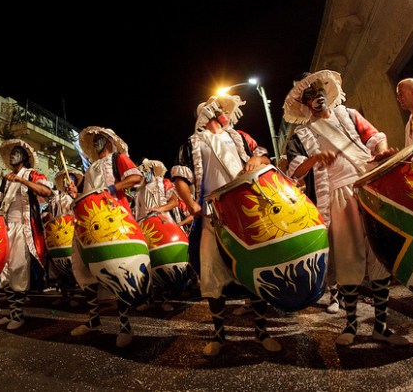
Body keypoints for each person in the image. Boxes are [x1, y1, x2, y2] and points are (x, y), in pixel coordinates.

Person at [284, 69, 408, 347]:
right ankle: (351, 325)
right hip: (338, 197)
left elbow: (376, 137)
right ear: (304, 103)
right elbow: (295, 171)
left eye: (319, 91)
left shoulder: (349, 115)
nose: (317, 98)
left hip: (368, 187)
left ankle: (381, 327)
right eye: (310, 95)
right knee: (349, 261)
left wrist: (381, 152)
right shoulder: (300, 136)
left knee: (379, 258)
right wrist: (315, 157)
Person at [170, 93, 276, 356]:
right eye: (219, 108)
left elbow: (266, 159)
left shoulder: (240, 137)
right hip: (210, 213)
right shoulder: (192, 143)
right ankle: (219, 334)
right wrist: (191, 204)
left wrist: (256, 160)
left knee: (255, 268)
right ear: (207, 113)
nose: (227, 112)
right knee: (211, 271)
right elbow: (180, 177)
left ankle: (262, 332)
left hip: (245, 210)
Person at [69, 126, 144, 348]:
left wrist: (112, 189)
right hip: (88, 222)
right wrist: (75, 194)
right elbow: (86, 196)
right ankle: (93, 319)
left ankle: (125, 325)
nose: (97, 142)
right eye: (95, 140)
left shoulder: (117, 158)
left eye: (101, 139)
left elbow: (136, 177)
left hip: (113, 219)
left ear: (110, 141)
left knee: (117, 270)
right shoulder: (90, 167)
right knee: (83, 270)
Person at [0, 139, 51, 330]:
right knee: (5, 271)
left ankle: (18, 316)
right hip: (6, 228)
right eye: (10, 152)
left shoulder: (32, 174)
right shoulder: (6, 178)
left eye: (16, 152)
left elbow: (46, 192)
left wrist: (22, 180)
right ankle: (12, 313)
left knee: (19, 271)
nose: (12, 155)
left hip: (23, 228)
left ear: (24, 156)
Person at [133, 158, 180, 312]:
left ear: (152, 170)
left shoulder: (164, 182)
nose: (144, 173)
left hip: (161, 224)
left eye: (147, 170)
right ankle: (149, 299)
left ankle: (166, 299)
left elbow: (174, 202)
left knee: (162, 261)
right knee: (147, 264)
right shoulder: (139, 190)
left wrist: (160, 208)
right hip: (143, 227)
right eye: (142, 171)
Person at [44, 166, 83, 307]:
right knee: (58, 268)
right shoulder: (56, 198)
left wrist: (75, 197)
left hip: (70, 235)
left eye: (70, 181)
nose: (67, 183)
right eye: (65, 180)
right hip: (56, 236)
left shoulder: (76, 196)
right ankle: (64, 294)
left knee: (71, 265)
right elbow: (51, 214)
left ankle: (74, 295)